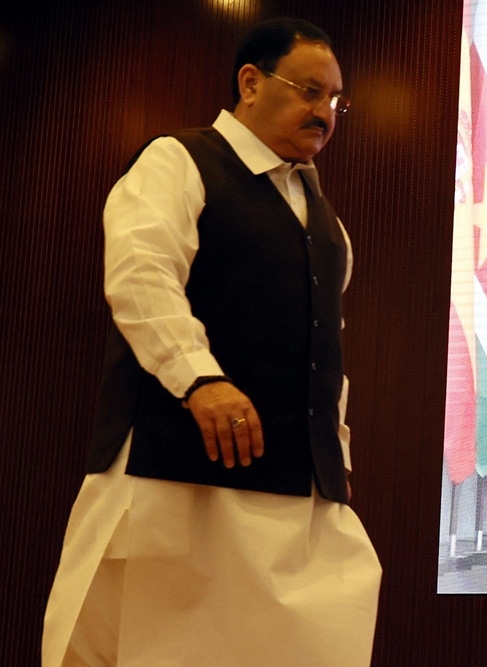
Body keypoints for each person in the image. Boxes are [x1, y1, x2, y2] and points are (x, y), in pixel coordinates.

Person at [42, 17, 381, 665]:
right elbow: (141, 274)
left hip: (301, 500)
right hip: (181, 482)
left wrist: (333, 448)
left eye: (336, 100)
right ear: (250, 83)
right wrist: (199, 378)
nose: (324, 113)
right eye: (309, 91)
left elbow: (325, 350)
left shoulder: (325, 218)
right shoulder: (179, 159)